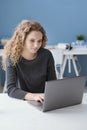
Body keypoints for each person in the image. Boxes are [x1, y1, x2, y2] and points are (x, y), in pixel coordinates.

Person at [2, 20, 57, 103]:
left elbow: (53, 83)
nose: (36, 45)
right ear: (22, 39)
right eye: (32, 40)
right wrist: (34, 97)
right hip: (23, 101)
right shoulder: (12, 58)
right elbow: (11, 89)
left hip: (43, 100)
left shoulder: (47, 55)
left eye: (39, 41)